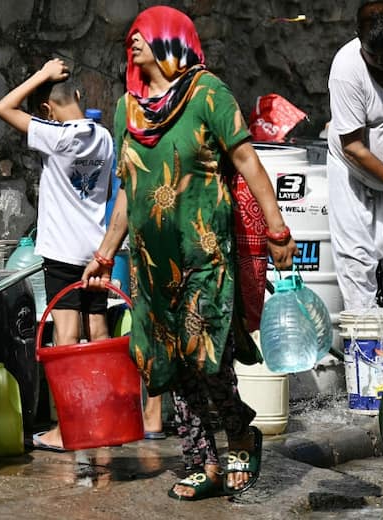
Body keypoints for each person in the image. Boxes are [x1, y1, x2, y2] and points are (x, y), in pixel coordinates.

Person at [81, 6, 296, 500]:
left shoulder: (207, 93)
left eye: (143, 33)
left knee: (206, 356)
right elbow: (127, 190)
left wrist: (276, 228)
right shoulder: (126, 110)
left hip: (204, 254)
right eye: (131, 35)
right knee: (169, 362)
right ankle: (204, 462)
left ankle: (240, 431)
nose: (132, 40)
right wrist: (105, 251)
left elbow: (247, 161)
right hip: (151, 265)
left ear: (171, 39)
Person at [0, 58, 115, 451]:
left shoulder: (57, 136)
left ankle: (67, 430)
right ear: (79, 96)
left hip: (62, 253)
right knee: (98, 333)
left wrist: (41, 75)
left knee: (66, 339)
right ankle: (103, 421)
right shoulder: (105, 137)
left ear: (46, 110)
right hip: (97, 251)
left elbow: (3, 108)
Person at [326, 0, 383, 311]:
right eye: (372, 56)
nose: (378, 63)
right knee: (357, 264)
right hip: (354, 175)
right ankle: (365, 353)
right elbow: (353, 147)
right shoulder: (347, 68)